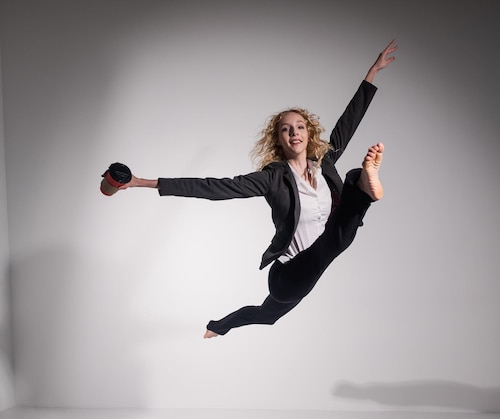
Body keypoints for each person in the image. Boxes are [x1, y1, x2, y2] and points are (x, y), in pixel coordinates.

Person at [120, 40, 398, 338]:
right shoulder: (272, 178)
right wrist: (143, 182)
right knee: (335, 238)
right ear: (278, 139)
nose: (294, 132)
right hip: (287, 275)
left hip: (314, 267)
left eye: (300, 126)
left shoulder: (324, 163)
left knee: (268, 317)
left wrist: (372, 73)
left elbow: (348, 124)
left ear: (309, 133)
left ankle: (217, 326)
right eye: (286, 129)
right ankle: (364, 189)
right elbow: (214, 188)